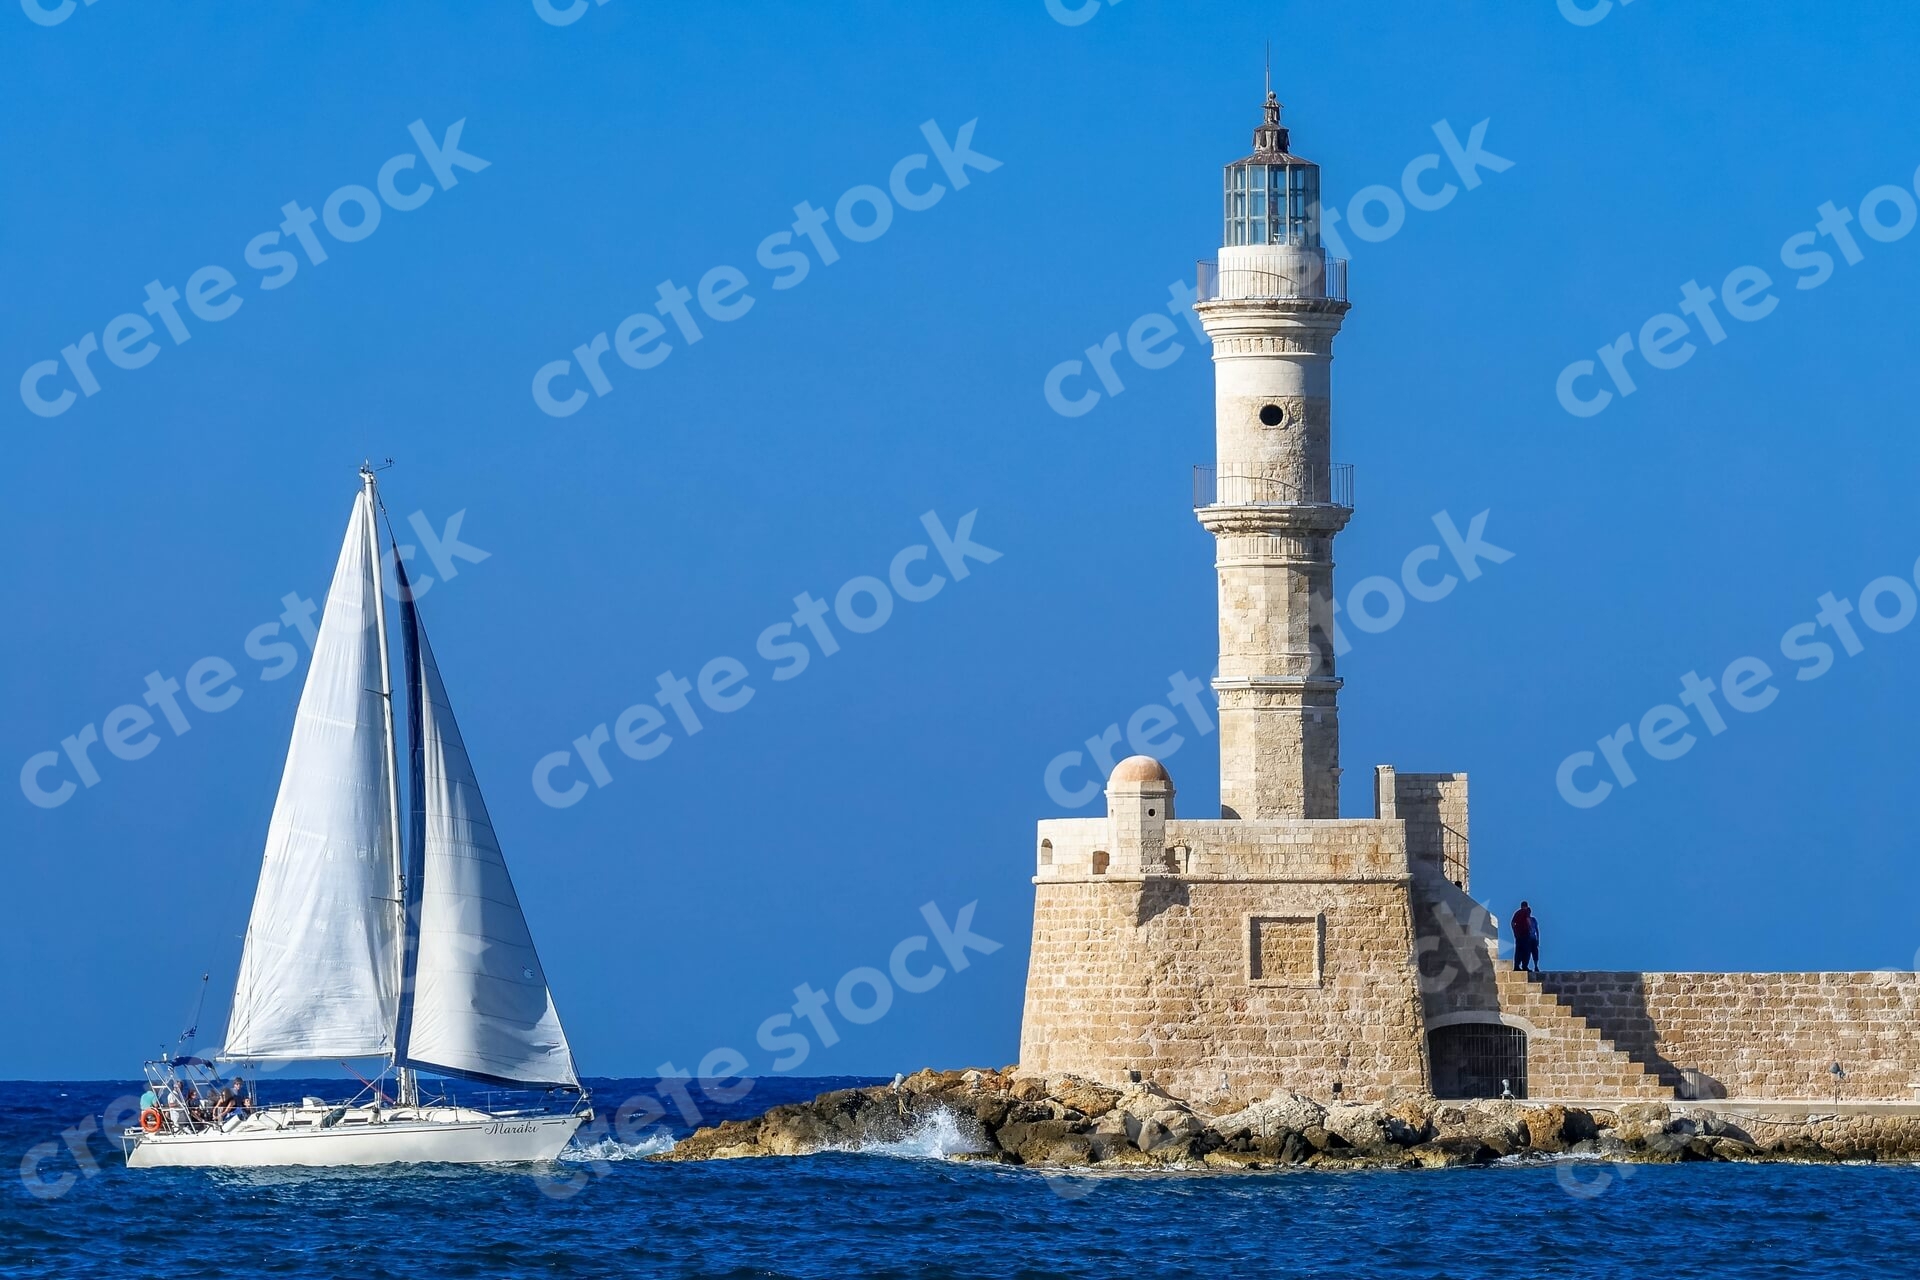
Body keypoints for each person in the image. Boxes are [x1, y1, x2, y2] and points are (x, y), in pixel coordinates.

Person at [1510, 901, 1534, 972]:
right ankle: (1524, 966)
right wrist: (1530, 929)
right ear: (1526, 906)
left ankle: (1516, 966)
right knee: (1526, 950)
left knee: (1518, 950)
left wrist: (1514, 931)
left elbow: (1512, 923)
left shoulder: (1517, 912)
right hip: (1525, 933)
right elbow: (1528, 920)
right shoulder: (1526, 912)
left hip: (1518, 935)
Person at [1526, 910, 1543, 975]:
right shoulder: (1524, 920)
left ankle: (1536, 966)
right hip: (1527, 939)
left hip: (1533, 938)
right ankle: (1526, 966)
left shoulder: (1533, 919)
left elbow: (1536, 929)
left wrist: (1538, 939)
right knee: (1527, 953)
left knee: (1535, 953)